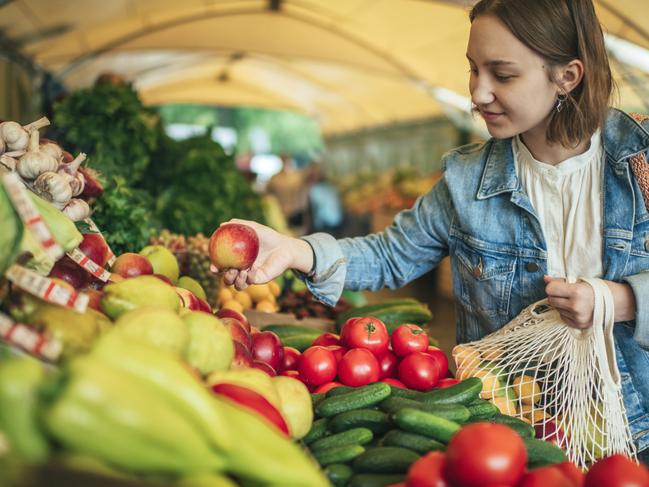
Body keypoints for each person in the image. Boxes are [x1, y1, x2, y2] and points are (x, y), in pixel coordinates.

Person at [215, 0, 649, 460]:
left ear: (568, 76)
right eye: (473, 69)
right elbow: (389, 254)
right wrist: (294, 250)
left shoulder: (640, 167)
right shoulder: (467, 181)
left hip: (636, 437)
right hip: (505, 438)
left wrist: (620, 301)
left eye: (502, 75)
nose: (478, 94)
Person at [265, 153, 310, 235]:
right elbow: (267, 195)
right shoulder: (276, 178)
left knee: (299, 237)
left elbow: (304, 195)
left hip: (295, 212)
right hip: (283, 214)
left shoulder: (297, 176)